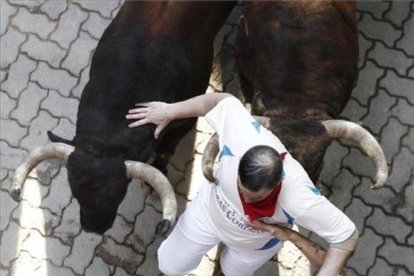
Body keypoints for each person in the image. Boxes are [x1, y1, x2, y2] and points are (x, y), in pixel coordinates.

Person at [126, 93, 359, 276]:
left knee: (232, 272)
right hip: (208, 214)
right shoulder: (243, 135)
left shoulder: (299, 196)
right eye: (241, 189)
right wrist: (170, 110)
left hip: (254, 245)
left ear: (279, 182)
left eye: (255, 198)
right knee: (169, 264)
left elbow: (346, 237)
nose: (245, 201)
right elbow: (218, 101)